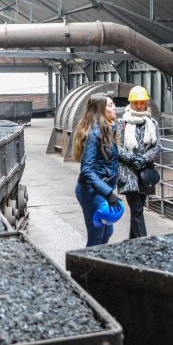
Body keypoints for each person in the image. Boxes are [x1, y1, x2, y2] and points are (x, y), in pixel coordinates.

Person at [72, 94, 121, 247]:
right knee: (96, 235)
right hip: (90, 191)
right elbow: (86, 170)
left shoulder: (108, 130)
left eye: (113, 104)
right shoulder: (95, 134)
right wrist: (108, 192)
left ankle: (98, 264)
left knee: (107, 232)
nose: (114, 108)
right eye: (110, 105)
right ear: (101, 110)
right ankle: (85, 269)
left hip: (101, 189)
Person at [117, 85, 162, 240]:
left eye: (141, 103)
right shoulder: (121, 123)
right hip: (128, 173)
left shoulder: (152, 124)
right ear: (130, 103)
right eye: (135, 103)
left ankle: (132, 242)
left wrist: (143, 159)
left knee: (138, 209)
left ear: (146, 104)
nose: (138, 105)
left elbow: (157, 147)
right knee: (136, 209)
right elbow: (116, 147)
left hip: (144, 173)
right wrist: (131, 159)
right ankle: (144, 242)